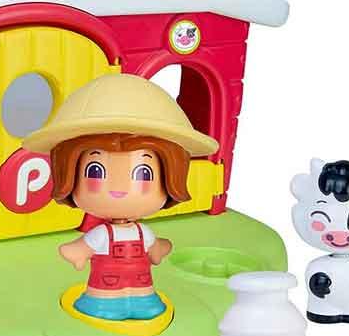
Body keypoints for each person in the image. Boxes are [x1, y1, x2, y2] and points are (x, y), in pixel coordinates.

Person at [23, 73, 218, 321]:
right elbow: (82, 248)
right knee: (105, 298)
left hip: (141, 283)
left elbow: (154, 249)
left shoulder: (141, 233)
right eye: (96, 171)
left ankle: (143, 302)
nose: (119, 188)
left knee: (144, 295)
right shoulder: (103, 234)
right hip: (105, 287)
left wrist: (159, 248)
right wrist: (76, 252)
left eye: (143, 173)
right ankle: (105, 303)